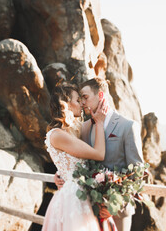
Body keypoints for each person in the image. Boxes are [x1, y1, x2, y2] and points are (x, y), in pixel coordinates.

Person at [55, 77, 144, 231]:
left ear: (101, 96)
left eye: (85, 97)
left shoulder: (128, 126)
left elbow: (138, 172)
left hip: (117, 213)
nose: (82, 102)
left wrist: (115, 205)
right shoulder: (85, 127)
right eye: (80, 98)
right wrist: (61, 174)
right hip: (89, 208)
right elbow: (79, 160)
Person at [42, 83, 109, 231]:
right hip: (73, 200)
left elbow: (69, 162)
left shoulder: (70, 132)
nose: (81, 103)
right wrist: (99, 123)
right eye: (78, 100)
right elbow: (99, 154)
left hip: (81, 195)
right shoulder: (58, 134)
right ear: (67, 104)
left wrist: (60, 173)